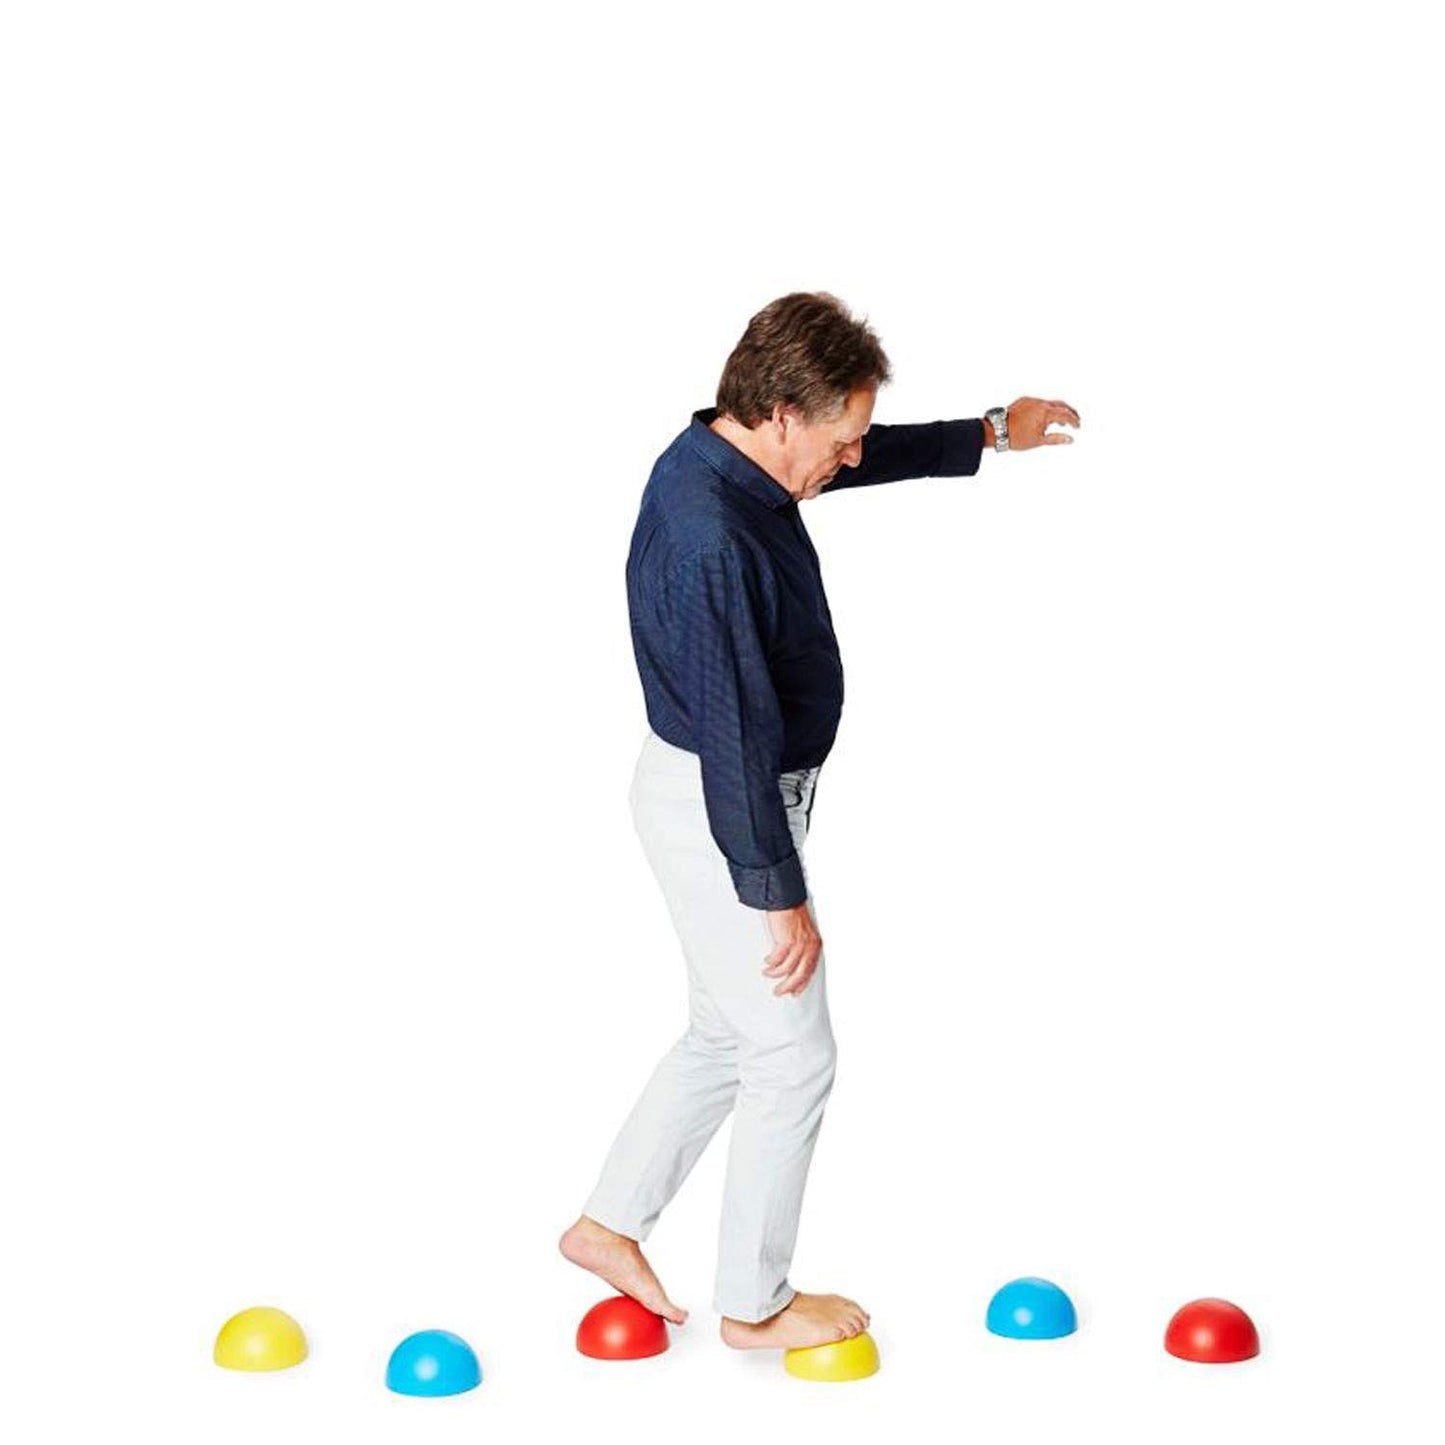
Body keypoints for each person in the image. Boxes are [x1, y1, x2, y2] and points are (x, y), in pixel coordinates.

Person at [560, 291, 1080, 1352]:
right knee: (792, 1054)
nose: (848, 459)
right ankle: (753, 1303)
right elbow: (734, 737)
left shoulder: (732, 455)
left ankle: (607, 1224)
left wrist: (991, 431)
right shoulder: (709, 536)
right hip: (723, 808)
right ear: (782, 414)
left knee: (727, 1031)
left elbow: (862, 454)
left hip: (717, 796)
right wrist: (778, 893)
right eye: (838, 438)